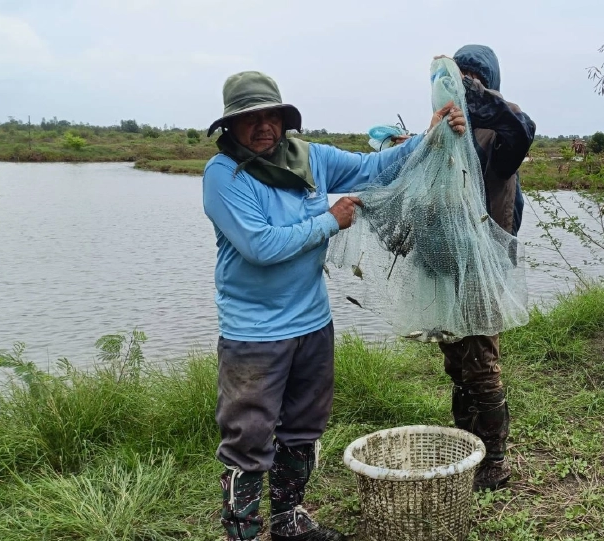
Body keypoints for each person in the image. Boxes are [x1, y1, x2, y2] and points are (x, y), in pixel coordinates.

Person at [202, 70, 466, 541]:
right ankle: (241, 531)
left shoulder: (310, 158)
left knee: (304, 425)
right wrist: (330, 220)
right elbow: (260, 246)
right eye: (250, 119)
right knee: (248, 436)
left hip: (312, 323)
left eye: (272, 116)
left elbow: (374, 170)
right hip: (254, 334)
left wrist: (430, 136)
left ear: (284, 121)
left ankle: (288, 519)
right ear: (230, 126)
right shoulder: (223, 175)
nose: (264, 127)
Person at [438, 45, 536, 492]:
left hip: (484, 266)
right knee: (455, 360)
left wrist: (478, 99)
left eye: (472, 77)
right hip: (446, 262)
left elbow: (522, 128)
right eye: (458, 77)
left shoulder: (500, 132)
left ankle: (494, 462)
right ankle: (466, 445)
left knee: (481, 362)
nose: (464, 84)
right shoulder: (444, 129)